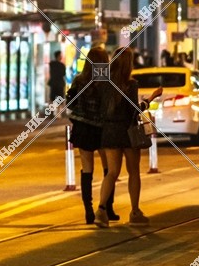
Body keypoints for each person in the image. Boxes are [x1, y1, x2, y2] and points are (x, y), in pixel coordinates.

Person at [95, 48, 161, 228]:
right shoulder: (130, 84)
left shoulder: (104, 84)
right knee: (133, 172)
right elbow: (134, 111)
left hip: (109, 131)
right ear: (128, 64)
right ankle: (135, 212)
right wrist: (151, 98)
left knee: (112, 172)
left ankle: (101, 210)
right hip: (127, 132)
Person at [66, 46, 113, 225]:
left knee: (87, 170)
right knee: (109, 169)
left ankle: (88, 211)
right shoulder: (106, 82)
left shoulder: (79, 80)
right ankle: (108, 207)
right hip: (101, 129)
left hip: (83, 128)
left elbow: (70, 103)